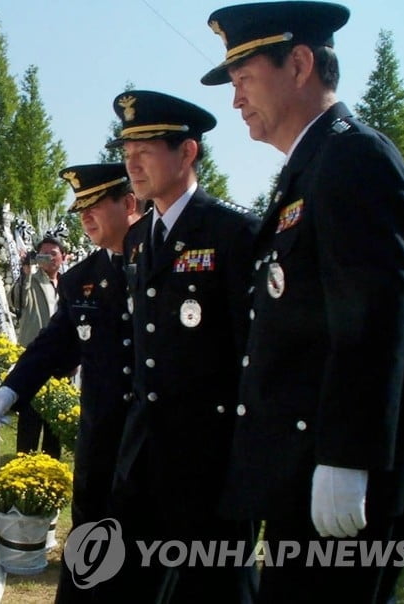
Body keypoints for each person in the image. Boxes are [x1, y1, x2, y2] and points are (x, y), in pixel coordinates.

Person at [201, 3, 404, 602]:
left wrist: (347, 457)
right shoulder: (311, 167)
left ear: (298, 63)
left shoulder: (353, 159)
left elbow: (374, 317)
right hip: (307, 471)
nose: (236, 100)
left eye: (244, 79)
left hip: (344, 480)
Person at [106, 90, 259, 603]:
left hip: (208, 457)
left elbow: (251, 351)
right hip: (145, 452)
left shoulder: (233, 233)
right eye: (127, 150)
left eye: (145, 149)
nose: (132, 162)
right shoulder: (138, 239)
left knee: (214, 589)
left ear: (187, 152)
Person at [0, 163, 139, 603]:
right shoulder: (79, 279)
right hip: (102, 439)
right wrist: (11, 389)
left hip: (155, 440)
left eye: (95, 206)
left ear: (129, 204)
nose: (85, 217)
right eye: (80, 209)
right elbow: (53, 346)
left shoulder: (161, 261)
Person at [7, 236, 68, 458]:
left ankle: (51, 463)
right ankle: (24, 462)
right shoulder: (30, 281)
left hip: (62, 361)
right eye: (44, 253)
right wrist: (25, 271)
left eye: (54, 253)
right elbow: (16, 300)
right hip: (34, 359)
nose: (49, 258)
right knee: (30, 417)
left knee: (56, 420)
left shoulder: (69, 283)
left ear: (63, 257)